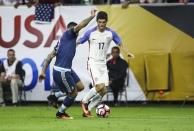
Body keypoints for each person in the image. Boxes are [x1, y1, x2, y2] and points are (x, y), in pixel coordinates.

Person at [39, 9, 96, 120]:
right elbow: (81, 25)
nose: (77, 31)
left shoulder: (63, 41)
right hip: (62, 71)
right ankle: (60, 113)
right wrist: (92, 17)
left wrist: (42, 71)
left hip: (67, 69)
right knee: (73, 93)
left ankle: (54, 96)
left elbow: (49, 57)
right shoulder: (70, 33)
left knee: (80, 87)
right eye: (76, 29)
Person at [77, 11, 134, 117]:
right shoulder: (90, 32)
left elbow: (120, 43)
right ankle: (84, 102)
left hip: (103, 64)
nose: (101, 24)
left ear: (106, 22)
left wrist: (127, 52)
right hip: (93, 62)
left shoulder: (111, 33)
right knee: (99, 86)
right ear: (97, 21)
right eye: (99, 22)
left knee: (104, 90)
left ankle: (88, 110)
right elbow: (79, 41)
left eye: (103, 22)